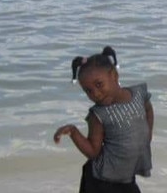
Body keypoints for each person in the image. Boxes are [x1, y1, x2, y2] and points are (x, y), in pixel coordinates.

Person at [54, 46, 154, 193]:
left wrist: (148, 132)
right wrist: (74, 132)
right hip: (101, 182)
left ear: (114, 75)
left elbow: (148, 108)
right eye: (88, 90)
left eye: (99, 84)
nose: (96, 94)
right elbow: (93, 151)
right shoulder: (99, 115)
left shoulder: (138, 94)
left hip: (126, 180)